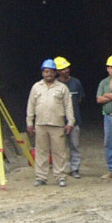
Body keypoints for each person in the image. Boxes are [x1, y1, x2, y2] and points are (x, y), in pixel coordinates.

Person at [26, 58, 73, 187]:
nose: (48, 74)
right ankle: (41, 177)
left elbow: (68, 106)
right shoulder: (36, 87)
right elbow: (31, 105)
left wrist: (70, 122)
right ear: (42, 73)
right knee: (41, 151)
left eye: (51, 71)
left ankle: (60, 176)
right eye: (46, 71)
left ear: (55, 73)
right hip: (40, 124)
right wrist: (30, 122)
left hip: (57, 124)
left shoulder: (62, 88)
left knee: (59, 152)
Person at [54, 57, 85, 178]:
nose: (66, 70)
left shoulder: (76, 83)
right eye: (62, 69)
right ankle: (61, 169)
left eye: (67, 68)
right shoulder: (55, 85)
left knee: (74, 145)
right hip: (58, 121)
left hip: (74, 120)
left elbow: (79, 99)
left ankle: (74, 169)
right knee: (59, 147)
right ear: (57, 71)